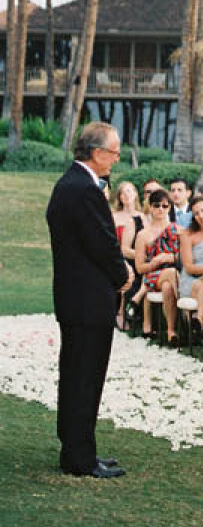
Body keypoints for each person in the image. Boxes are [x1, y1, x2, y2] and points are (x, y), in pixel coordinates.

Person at [45, 121, 133, 478]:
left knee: (76, 375)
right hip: (88, 300)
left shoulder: (69, 184)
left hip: (76, 298)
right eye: (114, 153)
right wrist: (123, 274)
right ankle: (80, 457)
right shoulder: (83, 190)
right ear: (97, 153)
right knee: (85, 378)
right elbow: (101, 243)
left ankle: (76, 447)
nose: (116, 159)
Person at [134, 189, 181, 343]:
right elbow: (140, 268)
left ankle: (171, 331)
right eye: (157, 205)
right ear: (150, 207)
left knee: (168, 286)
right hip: (151, 276)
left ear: (170, 207)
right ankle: (187, 319)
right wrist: (156, 262)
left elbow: (184, 257)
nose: (161, 209)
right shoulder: (143, 235)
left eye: (165, 206)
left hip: (173, 275)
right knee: (171, 273)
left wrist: (169, 257)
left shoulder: (177, 230)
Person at [178, 194, 203, 332]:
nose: (201, 216)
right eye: (196, 213)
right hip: (193, 277)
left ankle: (200, 320)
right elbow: (188, 267)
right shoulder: (188, 235)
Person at [111, 180, 143, 330]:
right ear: (119, 197)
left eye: (129, 191)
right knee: (126, 271)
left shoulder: (143, 216)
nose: (126, 195)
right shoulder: (114, 216)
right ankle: (120, 312)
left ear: (135, 194)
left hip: (137, 256)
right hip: (117, 255)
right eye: (122, 193)